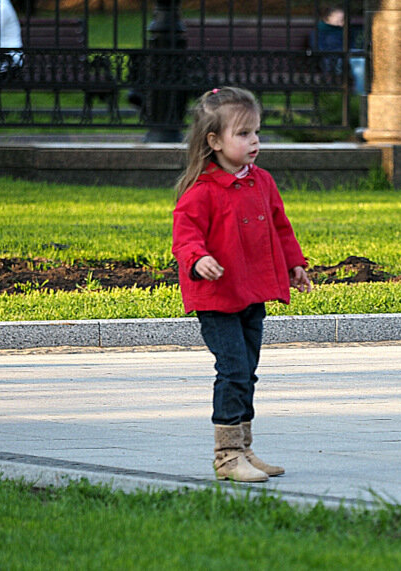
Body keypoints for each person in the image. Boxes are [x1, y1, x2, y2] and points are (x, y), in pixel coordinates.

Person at [172, 86, 312, 483]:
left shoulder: (262, 182)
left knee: (247, 370)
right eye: (243, 133)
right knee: (233, 369)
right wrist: (198, 259)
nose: (254, 141)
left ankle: (244, 447)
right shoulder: (201, 191)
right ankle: (227, 455)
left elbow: (281, 227)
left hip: (251, 292)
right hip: (217, 298)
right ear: (214, 141)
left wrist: (294, 263)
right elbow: (184, 237)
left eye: (257, 132)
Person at [313, 5, 365, 95]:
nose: (341, 20)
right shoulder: (319, 32)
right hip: (334, 60)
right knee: (359, 63)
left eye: (343, 18)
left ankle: (361, 92)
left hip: (348, 57)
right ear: (327, 19)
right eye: (338, 18)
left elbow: (352, 45)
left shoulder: (346, 31)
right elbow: (319, 50)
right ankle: (361, 94)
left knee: (361, 60)